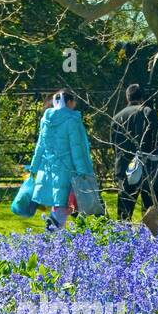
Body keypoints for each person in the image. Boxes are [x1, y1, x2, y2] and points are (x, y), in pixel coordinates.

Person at [27, 89, 96, 231]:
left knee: (59, 200)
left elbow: (40, 146)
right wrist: (83, 171)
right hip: (68, 168)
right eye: (73, 102)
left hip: (50, 168)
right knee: (65, 202)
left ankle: (57, 232)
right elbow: (76, 148)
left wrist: (34, 167)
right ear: (69, 102)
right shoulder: (72, 121)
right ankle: (54, 227)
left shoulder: (46, 120)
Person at [111, 84, 158, 240]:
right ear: (142, 97)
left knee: (124, 212)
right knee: (153, 209)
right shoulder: (147, 112)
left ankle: (121, 242)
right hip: (148, 169)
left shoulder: (117, 117)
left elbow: (114, 145)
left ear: (128, 98)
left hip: (125, 169)